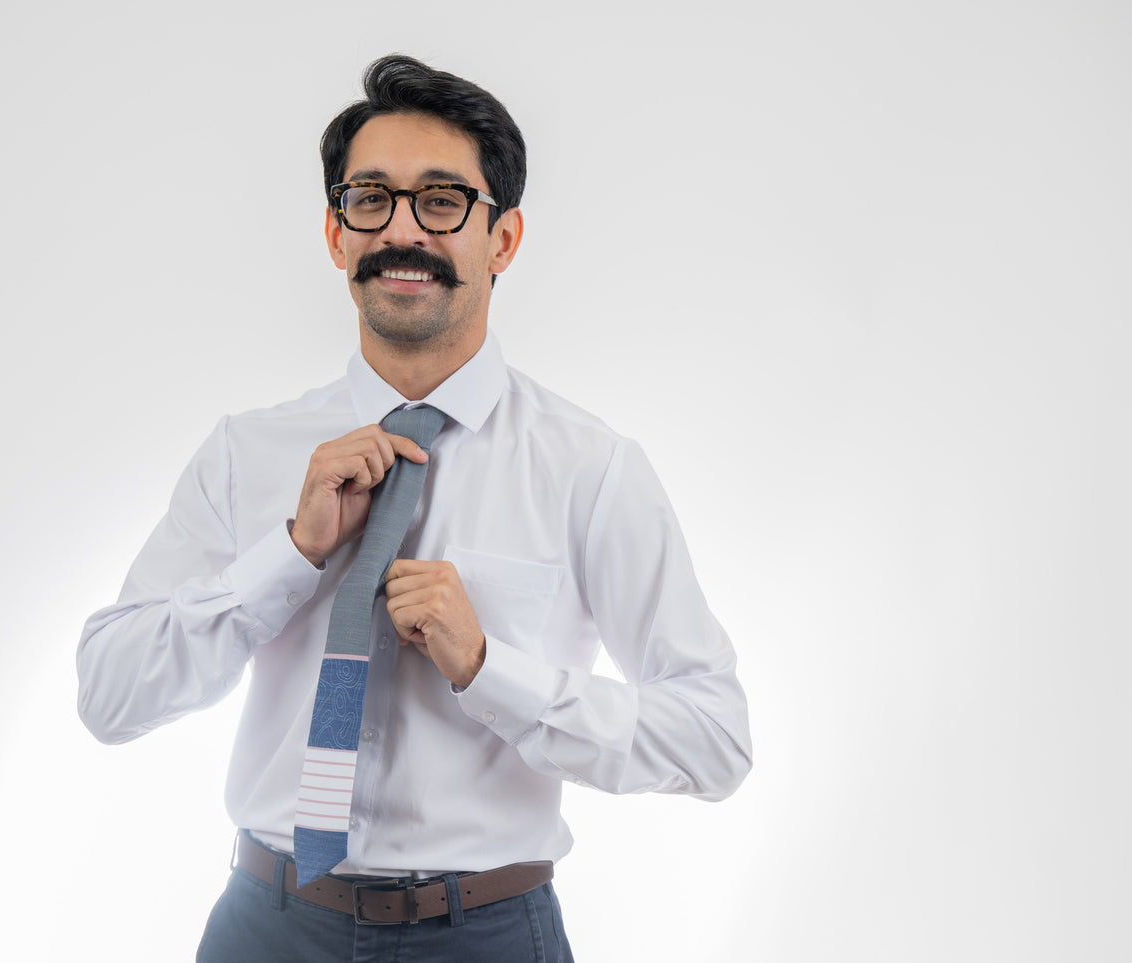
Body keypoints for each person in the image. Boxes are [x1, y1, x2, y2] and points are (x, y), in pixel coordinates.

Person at [77, 54, 751, 962]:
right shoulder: (248, 453)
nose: (403, 229)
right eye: (371, 198)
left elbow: (713, 739)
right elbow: (110, 695)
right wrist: (289, 553)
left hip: (487, 933)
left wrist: (488, 668)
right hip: (265, 928)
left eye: (441, 200)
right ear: (334, 232)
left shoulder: (589, 468)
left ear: (501, 238)